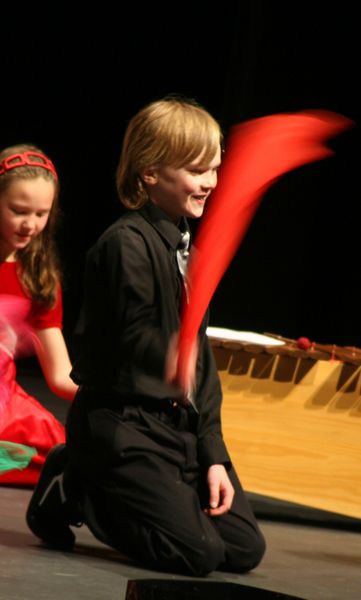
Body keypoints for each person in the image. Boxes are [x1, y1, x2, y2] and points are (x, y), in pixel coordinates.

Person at [26, 98, 266, 575]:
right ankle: (76, 482)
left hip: (174, 432)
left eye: (215, 169)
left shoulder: (186, 251)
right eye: (198, 170)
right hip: (124, 426)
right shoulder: (123, 245)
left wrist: (212, 454)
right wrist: (171, 353)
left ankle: (148, 492)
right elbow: (131, 337)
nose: (211, 183)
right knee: (199, 554)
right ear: (150, 173)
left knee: (242, 548)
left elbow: (203, 368)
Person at [0, 144, 78, 486]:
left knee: (63, 453)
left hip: (4, 404)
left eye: (41, 214)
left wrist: (119, 392)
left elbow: (61, 375)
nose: (30, 225)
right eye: (19, 211)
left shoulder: (40, 278)